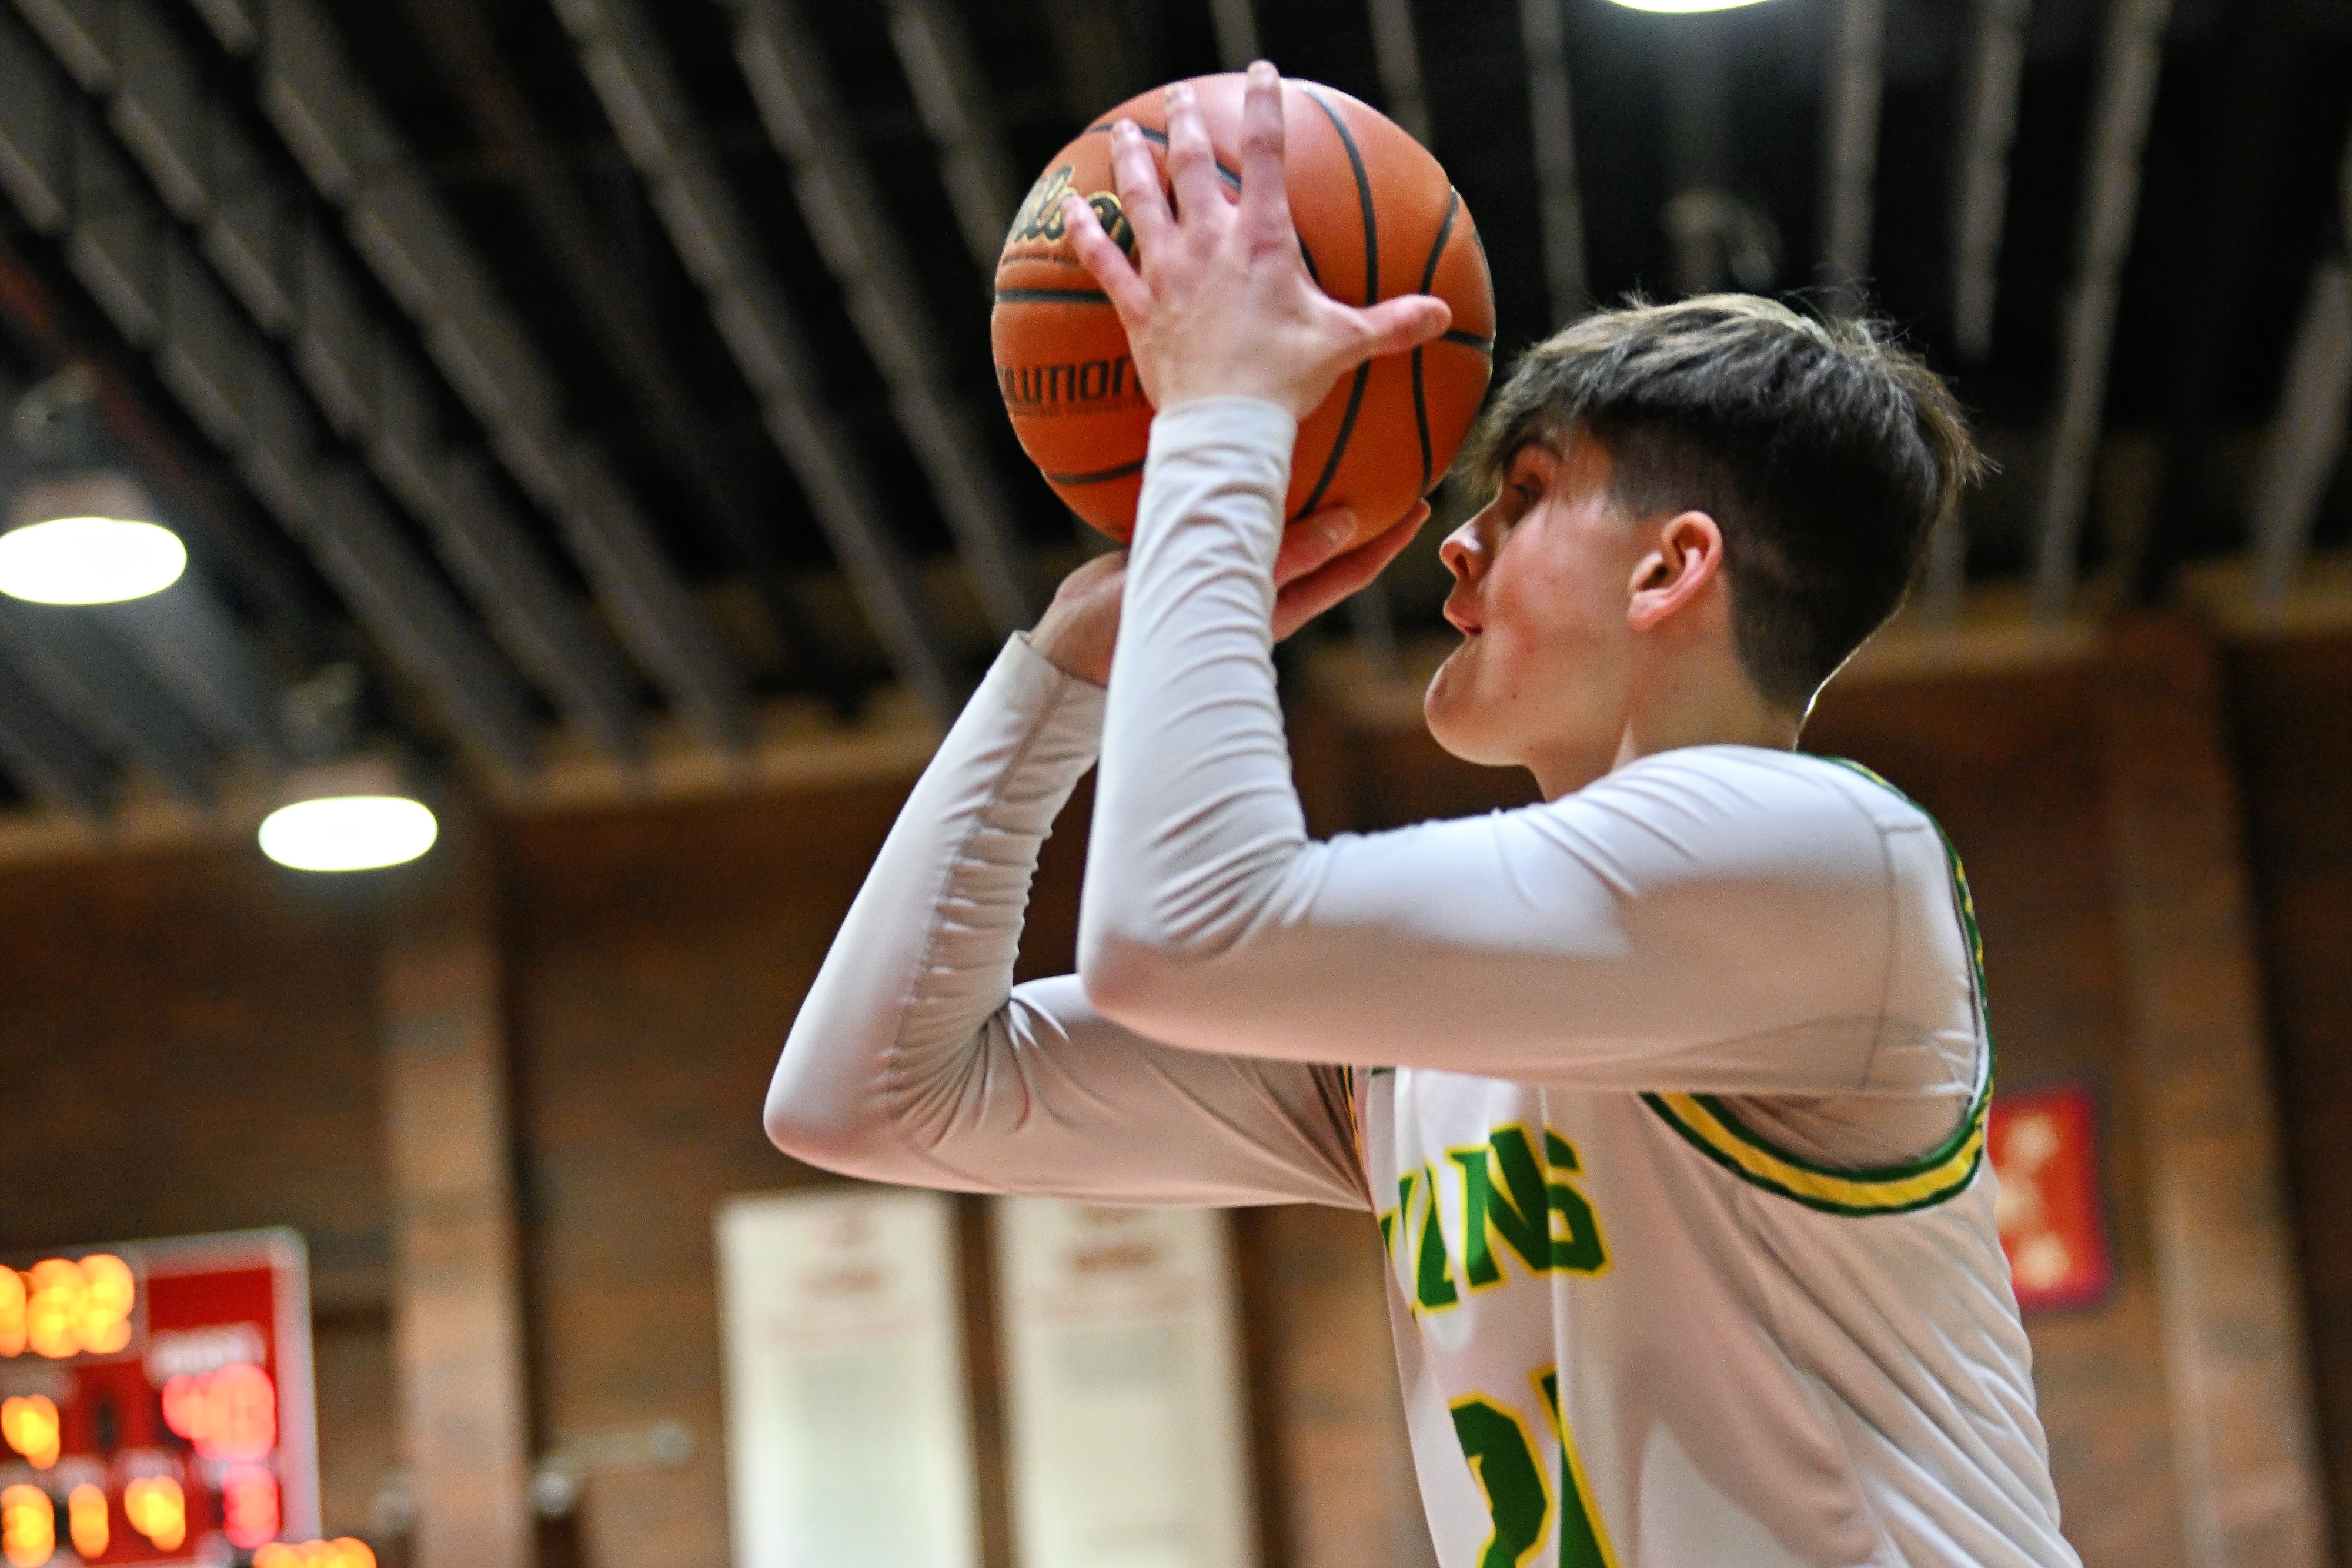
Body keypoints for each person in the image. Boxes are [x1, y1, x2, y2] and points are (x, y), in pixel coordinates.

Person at [766, 62, 2076, 1568]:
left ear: (1669, 568)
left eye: (1520, 497)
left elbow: (1180, 928)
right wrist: (1062, 672)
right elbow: (867, 1096)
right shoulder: (1421, 1027)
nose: (1452, 548)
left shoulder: (1828, 861)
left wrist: (1224, 423)